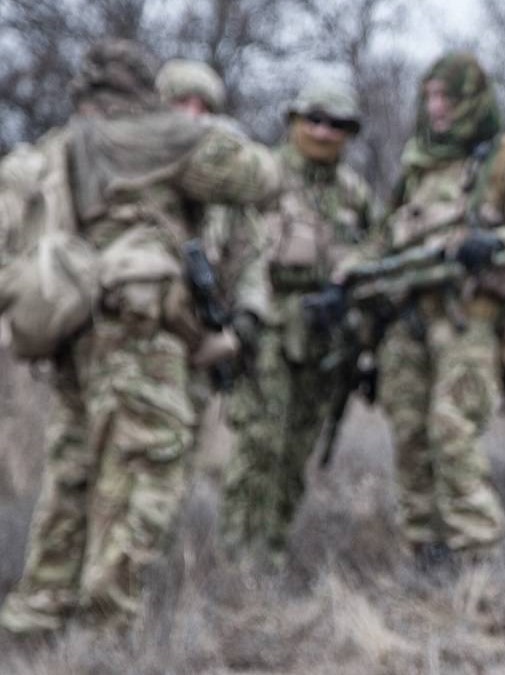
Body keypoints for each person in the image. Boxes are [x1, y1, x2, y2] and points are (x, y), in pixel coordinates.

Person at [0, 39, 278, 634]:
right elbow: (261, 176)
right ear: (150, 92)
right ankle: (107, 617)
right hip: (140, 331)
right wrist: (208, 135)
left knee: (74, 465)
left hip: (78, 324)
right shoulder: (163, 137)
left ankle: (39, 608)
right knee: (148, 462)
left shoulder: (64, 142)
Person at [379, 52, 505, 560]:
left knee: (452, 430)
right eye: (430, 96)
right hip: (408, 321)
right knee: (408, 434)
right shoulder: (417, 164)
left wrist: (492, 243)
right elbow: (385, 238)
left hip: (473, 319)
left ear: (472, 99)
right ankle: (423, 550)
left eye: (447, 96)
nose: (437, 108)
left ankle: (477, 556)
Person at [218, 78, 380, 561]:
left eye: (337, 124)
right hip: (268, 329)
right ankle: (236, 556)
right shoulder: (264, 176)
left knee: (297, 449)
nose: (324, 132)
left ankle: (271, 548)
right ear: (293, 121)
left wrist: (348, 281)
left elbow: (374, 249)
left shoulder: (353, 192)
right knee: (259, 444)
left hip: (326, 338)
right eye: (314, 120)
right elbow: (233, 248)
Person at [154, 59, 271, 404]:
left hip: (201, 343)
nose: (193, 115)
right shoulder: (139, 176)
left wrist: (245, 321)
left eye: (202, 107)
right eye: (182, 103)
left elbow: (251, 255)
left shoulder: (226, 191)